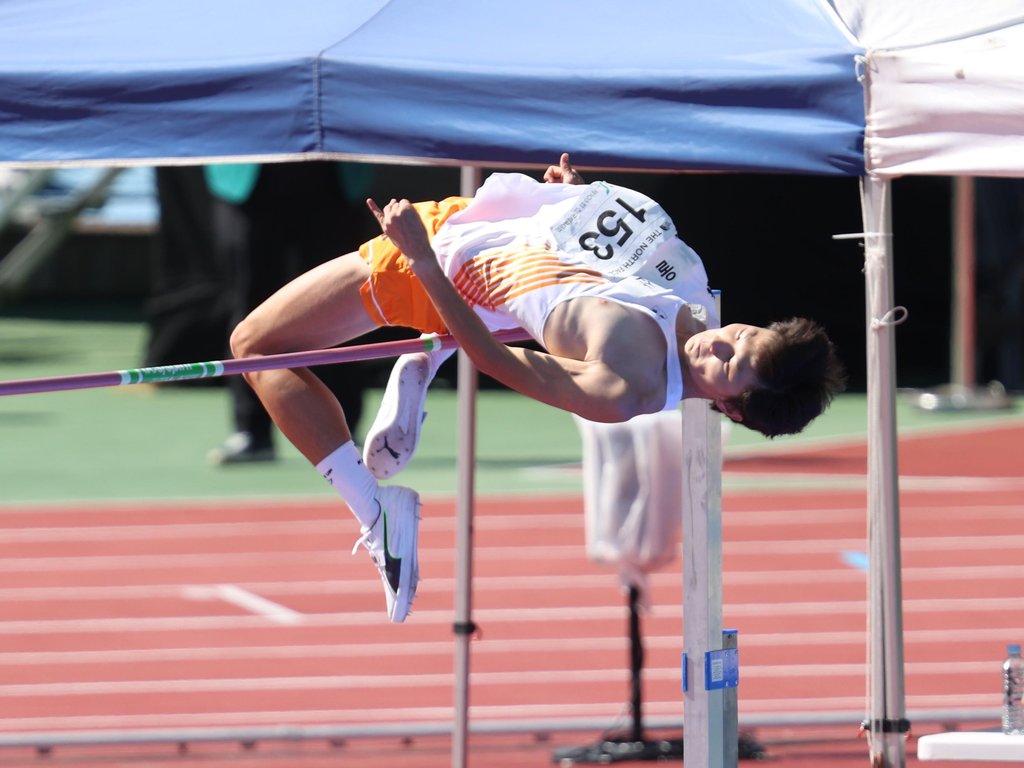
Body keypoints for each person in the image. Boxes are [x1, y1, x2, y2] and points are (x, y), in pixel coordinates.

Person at [230, 153, 845, 622]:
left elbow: (498, 362)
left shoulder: (620, 388)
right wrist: (570, 199)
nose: (717, 341)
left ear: (731, 407)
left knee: (253, 347)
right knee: (271, 346)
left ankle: (375, 506)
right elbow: (609, 249)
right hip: (492, 231)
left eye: (729, 366)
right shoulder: (690, 284)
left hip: (442, 265)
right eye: (742, 335)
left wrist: (418, 258)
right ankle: (422, 363)